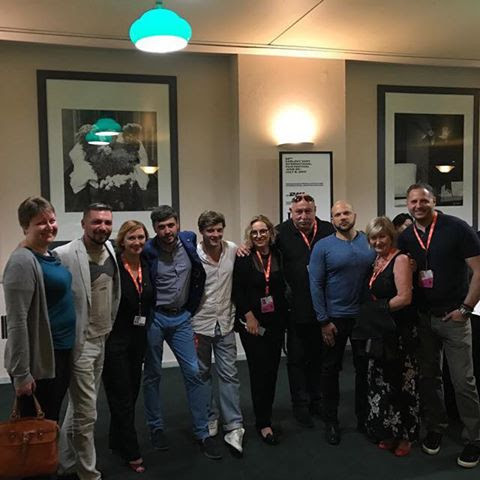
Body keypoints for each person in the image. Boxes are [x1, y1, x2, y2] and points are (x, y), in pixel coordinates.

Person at [397, 183, 480, 468]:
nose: (418, 206)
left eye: (424, 200)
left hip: (454, 317)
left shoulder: (457, 228)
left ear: (434, 201)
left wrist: (466, 308)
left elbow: (478, 270)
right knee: (429, 378)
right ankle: (436, 427)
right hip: (424, 318)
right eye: (413, 201)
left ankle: (474, 438)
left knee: (463, 381)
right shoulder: (406, 237)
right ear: (407, 204)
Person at [142, 205, 221, 460]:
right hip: (155, 318)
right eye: (161, 227)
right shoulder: (147, 251)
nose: (167, 231)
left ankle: (202, 432)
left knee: (194, 373)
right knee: (153, 374)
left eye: (171, 225)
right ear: (155, 229)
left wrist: (190, 308)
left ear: (177, 224)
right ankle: (156, 428)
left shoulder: (188, 240)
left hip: (182, 318)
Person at [55, 203, 121, 480]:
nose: (102, 227)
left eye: (107, 222)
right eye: (96, 222)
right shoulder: (64, 254)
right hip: (81, 343)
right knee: (87, 413)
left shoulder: (111, 250)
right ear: (83, 224)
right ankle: (88, 473)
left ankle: (64, 462)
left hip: (102, 337)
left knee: (79, 406)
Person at [4, 197, 75, 426]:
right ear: (26, 227)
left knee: (50, 420)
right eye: (40, 222)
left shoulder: (50, 256)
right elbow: (17, 321)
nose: (49, 226)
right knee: (35, 427)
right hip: (40, 359)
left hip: (60, 353)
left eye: (52, 220)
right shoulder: (21, 261)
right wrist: (21, 373)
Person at [308, 200, 375, 445]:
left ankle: (363, 418)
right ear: (332, 220)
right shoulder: (322, 247)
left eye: (346, 213)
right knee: (330, 370)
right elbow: (315, 285)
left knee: (363, 369)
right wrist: (323, 320)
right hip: (334, 319)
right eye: (337, 215)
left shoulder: (369, 241)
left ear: (354, 215)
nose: (343, 217)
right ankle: (331, 421)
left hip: (363, 317)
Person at [276, 193, 335, 427]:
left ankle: (317, 400)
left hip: (323, 307)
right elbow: (259, 244)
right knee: (297, 360)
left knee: (319, 358)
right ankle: (300, 405)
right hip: (295, 308)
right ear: (291, 212)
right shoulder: (280, 233)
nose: (303, 216)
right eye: (298, 211)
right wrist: (247, 244)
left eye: (307, 211)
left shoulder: (328, 230)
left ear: (315, 210)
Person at [363, 216, 420, 457]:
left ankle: (406, 436)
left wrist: (376, 310)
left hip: (399, 332)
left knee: (401, 383)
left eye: (382, 236)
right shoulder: (376, 261)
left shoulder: (401, 259)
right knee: (382, 383)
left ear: (391, 236)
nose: (378, 241)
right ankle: (388, 431)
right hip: (380, 331)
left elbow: (405, 298)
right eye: (373, 238)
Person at [102, 220, 154, 473]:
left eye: (141, 237)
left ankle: (116, 440)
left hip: (138, 339)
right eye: (131, 238)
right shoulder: (113, 267)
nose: (137, 242)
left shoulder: (147, 264)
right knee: (121, 395)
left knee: (130, 394)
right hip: (115, 341)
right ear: (122, 241)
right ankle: (132, 451)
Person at [192, 211, 245, 456]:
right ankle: (209, 416)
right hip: (199, 323)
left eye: (219, 230)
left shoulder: (232, 249)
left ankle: (233, 425)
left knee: (229, 374)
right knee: (202, 374)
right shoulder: (193, 254)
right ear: (202, 231)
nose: (215, 234)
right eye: (210, 230)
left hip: (225, 322)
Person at [233, 215, 288, 446]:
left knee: (272, 371)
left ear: (270, 232)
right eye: (254, 232)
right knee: (259, 371)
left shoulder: (279, 254)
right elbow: (237, 291)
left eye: (263, 231)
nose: (259, 236)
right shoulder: (244, 258)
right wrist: (249, 316)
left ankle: (267, 415)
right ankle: (262, 422)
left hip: (275, 323)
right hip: (252, 324)